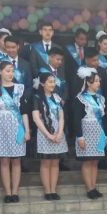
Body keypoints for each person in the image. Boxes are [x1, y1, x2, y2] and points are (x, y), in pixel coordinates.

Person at [0, 60, 30, 203]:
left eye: (12, 71)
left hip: (17, 127)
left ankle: (15, 192)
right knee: (4, 160)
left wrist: (27, 130)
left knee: (16, 160)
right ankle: (8, 192)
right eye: (7, 71)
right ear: (0, 72)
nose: (11, 74)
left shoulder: (20, 88)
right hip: (1, 127)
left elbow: (24, 112)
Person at [32, 72, 68, 201]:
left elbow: (61, 117)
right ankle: (47, 191)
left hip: (58, 133)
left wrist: (60, 133)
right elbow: (36, 118)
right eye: (50, 82)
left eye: (54, 82)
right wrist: (48, 135)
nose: (53, 84)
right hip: (44, 133)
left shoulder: (57, 97)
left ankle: (53, 189)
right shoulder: (37, 98)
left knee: (55, 162)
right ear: (42, 83)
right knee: (46, 163)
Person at [73, 66, 107, 199]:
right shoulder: (80, 98)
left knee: (95, 161)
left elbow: (103, 117)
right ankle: (89, 188)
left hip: (98, 132)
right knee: (87, 161)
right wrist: (80, 136)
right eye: (96, 81)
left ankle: (94, 186)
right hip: (86, 132)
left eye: (99, 81)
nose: (98, 83)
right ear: (88, 82)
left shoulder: (100, 98)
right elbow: (76, 119)